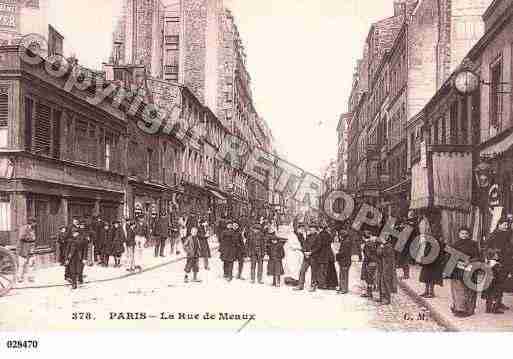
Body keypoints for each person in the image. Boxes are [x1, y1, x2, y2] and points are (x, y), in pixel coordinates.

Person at [483, 216, 512, 314]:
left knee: (500, 284)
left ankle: (498, 303)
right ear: (499, 224)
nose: (506, 226)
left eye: (507, 225)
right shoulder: (493, 235)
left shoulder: (507, 235)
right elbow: (486, 248)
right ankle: (492, 306)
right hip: (495, 263)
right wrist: (494, 256)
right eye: (504, 224)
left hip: (505, 263)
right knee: (493, 284)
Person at [450, 227, 481, 317]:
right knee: (458, 290)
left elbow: (479, 257)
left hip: (470, 269)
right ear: (459, 234)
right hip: (458, 270)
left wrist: (470, 261)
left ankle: (470, 309)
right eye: (462, 233)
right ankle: (460, 309)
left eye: (466, 233)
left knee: (470, 290)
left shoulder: (473, 244)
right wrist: (457, 262)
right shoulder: (455, 245)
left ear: (469, 235)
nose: (464, 235)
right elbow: (450, 258)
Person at [417, 213, 445, 298]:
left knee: (432, 273)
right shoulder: (428, 225)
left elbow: (439, 240)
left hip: (435, 253)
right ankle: (426, 291)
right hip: (428, 251)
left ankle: (431, 292)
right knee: (426, 273)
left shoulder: (438, 227)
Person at [294, 224, 320, 292]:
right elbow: (304, 244)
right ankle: (300, 285)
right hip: (306, 257)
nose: (311, 230)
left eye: (313, 228)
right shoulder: (308, 236)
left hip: (314, 257)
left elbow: (318, 247)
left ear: (315, 230)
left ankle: (313, 286)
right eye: (310, 228)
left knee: (314, 272)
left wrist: (311, 252)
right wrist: (305, 252)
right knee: (302, 270)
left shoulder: (318, 237)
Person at [376, 236, 396, 305]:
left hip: (387, 268)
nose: (381, 240)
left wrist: (381, 247)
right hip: (383, 267)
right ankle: (382, 298)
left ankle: (387, 299)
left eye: (382, 239)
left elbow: (381, 254)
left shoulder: (388, 247)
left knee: (386, 283)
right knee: (382, 282)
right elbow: (379, 254)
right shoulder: (385, 246)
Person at [16, 218, 37, 283]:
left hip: (30, 250)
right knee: (22, 264)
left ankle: (30, 277)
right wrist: (30, 238)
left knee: (31, 264)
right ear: (31, 222)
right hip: (23, 249)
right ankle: (19, 277)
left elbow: (33, 239)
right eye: (34, 223)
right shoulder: (24, 228)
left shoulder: (32, 229)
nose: (35, 224)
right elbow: (21, 237)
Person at [361, 232, 379, 298]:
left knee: (368, 278)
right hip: (375, 262)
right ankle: (371, 292)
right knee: (372, 277)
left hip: (369, 263)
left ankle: (369, 293)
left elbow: (367, 255)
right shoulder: (374, 243)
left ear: (363, 237)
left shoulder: (367, 244)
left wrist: (366, 263)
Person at [336, 230, 352, 294]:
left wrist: (337, 255)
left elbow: (343, 252)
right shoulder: (346, 241)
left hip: (345, 261)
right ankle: (342, 288)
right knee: (342, 275)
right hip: (345, 261)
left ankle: (344, 289)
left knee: (343, 275)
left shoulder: (346, 242)